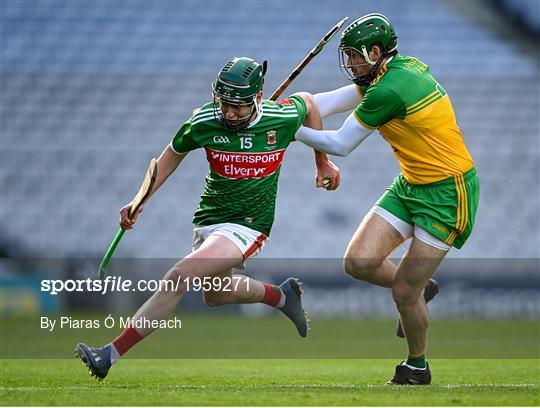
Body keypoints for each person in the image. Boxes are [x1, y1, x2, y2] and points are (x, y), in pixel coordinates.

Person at [75, 57, 340, 380]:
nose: (229, 113)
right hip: (209, 218)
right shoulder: (204, 121)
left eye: (238, 107)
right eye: (224, 104)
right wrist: (139, 199)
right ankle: (281, 295)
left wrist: (322, 162)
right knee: (217, 294)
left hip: (248, 223)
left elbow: (310, 102)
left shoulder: (280, 118)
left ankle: (109, 354)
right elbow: (171, 155)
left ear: (258, 98)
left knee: (179, 274)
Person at [295, 13, 480, 385]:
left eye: (353, 56)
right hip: (411, 184)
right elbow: (325, 103)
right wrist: (281, 111)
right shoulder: (387, 73)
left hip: (447, 193)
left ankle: (417, 366)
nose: (348, 64)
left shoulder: (389, 89)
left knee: (402, 291)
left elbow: (340, 144)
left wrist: (286, 131)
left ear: (376, 52)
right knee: (357, 262)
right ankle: (422, 288)